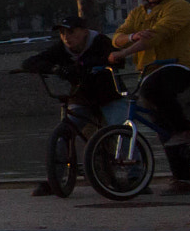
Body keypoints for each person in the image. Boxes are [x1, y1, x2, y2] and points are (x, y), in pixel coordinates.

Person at [110, 0, 190, 193]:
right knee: (162, 129)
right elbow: (117, 36)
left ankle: (186, 131)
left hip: (177, 69)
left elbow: (156, 37)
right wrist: (132, 35)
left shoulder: (179, 7)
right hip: (149, 73)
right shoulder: (139, 13)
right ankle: (184, 180)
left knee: (157, 99)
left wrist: (122, 53)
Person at [20, 15, 121, 196]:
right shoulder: (63, 49)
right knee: (63, 135)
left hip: (109, 96)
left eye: (71, 32)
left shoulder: (100, 42)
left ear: (84, 32)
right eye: (62, 33)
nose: (66, 37)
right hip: (81, 98)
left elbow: (117, 60)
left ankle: (136, 177)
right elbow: (29, 62)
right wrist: (55, 69)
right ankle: (55, 179)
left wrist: (87, 65)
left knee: (123, 132)